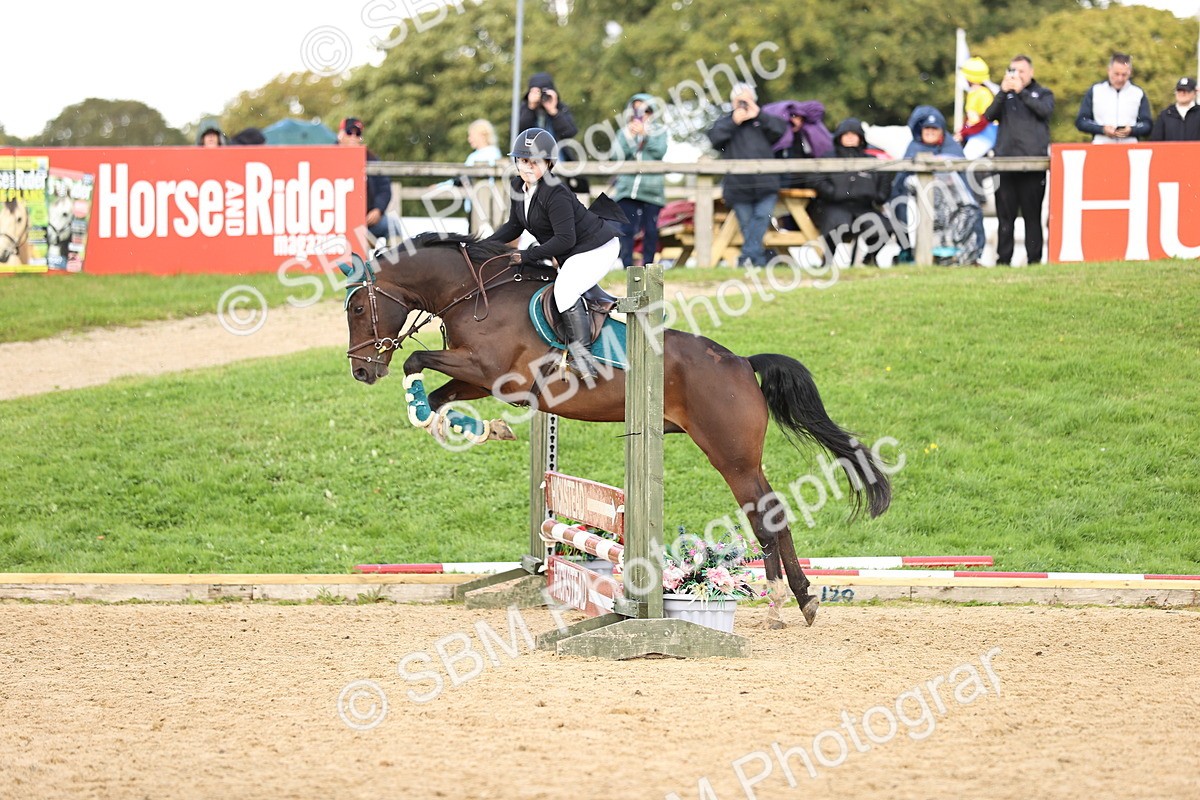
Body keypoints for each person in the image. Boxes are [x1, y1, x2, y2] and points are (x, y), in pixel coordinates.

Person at [484, 128, 622, 381]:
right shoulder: (518, 186)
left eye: (534, 162)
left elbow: (564, 239)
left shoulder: (555, 192)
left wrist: (527, 256)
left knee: (565, 290)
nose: (527, 167)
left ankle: (584, 358)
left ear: (548, 163)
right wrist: (483, 246)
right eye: (522, 161)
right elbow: (514, 226)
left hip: (597, 247)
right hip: (572, 249)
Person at [706, 83, 788, 267]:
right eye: (739, 100)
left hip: (766, 184)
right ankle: (757, 261)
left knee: (761, 218)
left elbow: (781, 130)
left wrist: (758, 114)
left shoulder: (764, 121)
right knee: (746, 224)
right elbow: (714, 138)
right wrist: (733, 121)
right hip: (738, 187)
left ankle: (747, 259)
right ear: (732, 102)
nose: (743, 104)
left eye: (747, 99)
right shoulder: (726, 122)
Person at [984, 54, 1055, 266]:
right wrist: (1002, 93)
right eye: (1013, 71)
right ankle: (1003, 260)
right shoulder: (1004, 96)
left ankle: (1034, 259)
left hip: (1032, 166)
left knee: (1032, 217)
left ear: (1031, 72)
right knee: (1005, 217)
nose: (1017, 75)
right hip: (1005, 165)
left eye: (1021, 71)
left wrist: (1021, 92)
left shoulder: (1042, 93)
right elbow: (988, 116)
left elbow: (1045, 111)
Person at [890, 106, 984, 264]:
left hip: (951, 203)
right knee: (902, 208)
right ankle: (910, 251)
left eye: (934, 129)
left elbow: (965, 181)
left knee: (970, 210)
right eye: (927, 128)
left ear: (941, 131)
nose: (930, 132)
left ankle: (967, 255)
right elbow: (900, 183)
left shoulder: (952, 148)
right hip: (919, 203)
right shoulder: (914, 148)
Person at [814, 118, 892, 265]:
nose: (850, 138)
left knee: (884, 227)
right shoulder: (827, 159)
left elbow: (884, 180)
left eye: (854, 134)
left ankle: (870, 259)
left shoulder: (872, 160)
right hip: (834, 206)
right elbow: (816, 180)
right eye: (846, 134)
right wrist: (832, 193)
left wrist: (879, 196)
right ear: (839, 137)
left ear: (860, 138)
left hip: (864, 207)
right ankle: (827, 261)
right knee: (836, 225)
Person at [612, 94, 667, 267]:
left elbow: (659, 152)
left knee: (650, 231)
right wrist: (630, 137)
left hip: (652, 193)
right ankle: (626, 266)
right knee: (626, 230)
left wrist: (646, 135)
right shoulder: (624, 132)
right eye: (637, 110)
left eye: (646, 110)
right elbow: (616, 156)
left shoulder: (660, 130)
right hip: (627, 190)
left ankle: (649, 266)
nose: (641, 114)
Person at [519, 72, 587, 194]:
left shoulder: (560, 108)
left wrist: (553, 111)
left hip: (559, 168)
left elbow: (569, 132)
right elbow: (519, 132)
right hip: (531, 168)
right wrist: (531, 107)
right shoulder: (524, 109)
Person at [337, 117, 396, 244]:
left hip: (366, 221)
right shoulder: (328, 157)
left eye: (357, 133)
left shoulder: (372, 159)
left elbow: (384, 188)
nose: (353, 137)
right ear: (340, 135)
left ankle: (395, 263)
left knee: (393, 226)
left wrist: (378, 209)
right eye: (349, 132)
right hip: (337, 224)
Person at [1075, 52, 1153, 143]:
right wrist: (1102, 129)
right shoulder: (1095, 91)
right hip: (1101, 147)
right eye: (1116, 74)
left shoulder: (1138, 93)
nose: (1120, 79)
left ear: (1130, 72)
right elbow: (1081, 121)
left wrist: (1132, 130)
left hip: (1130, 148)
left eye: (1124, 75)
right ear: (1109, 70)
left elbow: (1147, 124)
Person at [956, 56, 998, 156]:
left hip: (985, 134)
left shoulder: (983, 93)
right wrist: (963, 131)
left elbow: (985, 120)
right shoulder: (974, 92)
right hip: (975, 133)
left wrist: (964, 132)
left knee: (965, 160)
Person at [1149, 77, 1200, 141]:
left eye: (1186, 91)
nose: (1182, 93)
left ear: (1195, 92)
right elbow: (1156, 141)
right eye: (1179, 90)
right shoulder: (1165, 115)